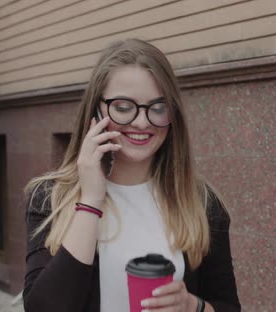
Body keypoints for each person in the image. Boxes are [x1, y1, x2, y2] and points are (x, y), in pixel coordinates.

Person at [23, 39, 240, 312]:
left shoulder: (201, 203)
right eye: (123, 107)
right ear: (96, 109)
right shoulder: (51, 196)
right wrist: (90, 200)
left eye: (158, 107)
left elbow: (228, 306)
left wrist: (192, 307)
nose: (141, 122)